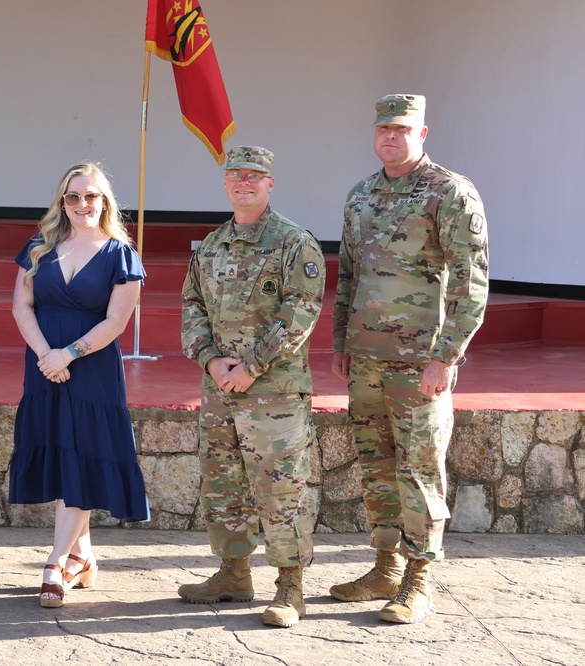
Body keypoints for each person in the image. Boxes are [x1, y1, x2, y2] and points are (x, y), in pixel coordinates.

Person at [329, 94, 489, 624]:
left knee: (419, 472)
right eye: (383, 128)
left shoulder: (449, 192)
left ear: (422, 133)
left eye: (402, 129)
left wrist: (447, 358)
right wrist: (340, 344)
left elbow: (471, 283)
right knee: (376, 469)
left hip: (421, 362)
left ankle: (419, 580)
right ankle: (385, 567)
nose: (390, 137)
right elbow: (348, 275)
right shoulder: (360, 195)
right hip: (367, 359)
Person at [179, 146, 325, 628]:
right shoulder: (212, 244)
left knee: (280, 491)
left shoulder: (292, 241)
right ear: (225, 184)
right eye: (236, 175)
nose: (244, 182)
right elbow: (192, 306)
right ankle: (233, 574)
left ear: (270, 182)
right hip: (220, 389)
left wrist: (252, 366)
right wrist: (212, 360)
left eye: (254, 175)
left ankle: (290, 588)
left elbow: (300, 312)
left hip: (274, 393)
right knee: (224, 487)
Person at [8, 162, 150, 608]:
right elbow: (21, 306)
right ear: (61, 202)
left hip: (91, 369)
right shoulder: (39, 247)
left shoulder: (120, 253)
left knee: (81, 455)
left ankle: (54, 563)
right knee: (62, 454)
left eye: (91, 196)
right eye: (73, 196)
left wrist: (68, 354)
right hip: (44, 365)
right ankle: (82, 557)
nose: (82, 204)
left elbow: (117, 321)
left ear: (104, 201)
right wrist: (45, 356)